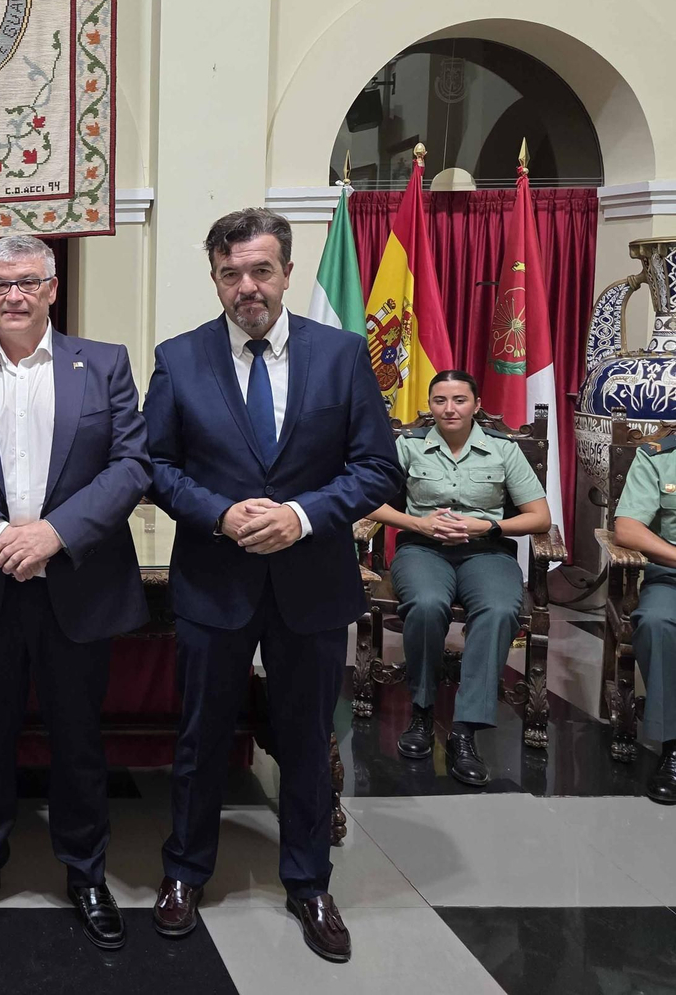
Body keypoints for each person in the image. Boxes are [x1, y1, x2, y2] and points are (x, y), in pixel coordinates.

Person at [144, 209, 398, 963]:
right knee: (201, 737)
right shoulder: (179, 357)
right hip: (213, 581)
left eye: (261, 270)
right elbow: (155, 466)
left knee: (306, 738)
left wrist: (301, 515)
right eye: (231, 274)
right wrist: (220, 514)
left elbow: (378, 469)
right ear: (215, 278)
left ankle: (309, 881)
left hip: (311, 581)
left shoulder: (342, 354)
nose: (246, 287)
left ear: (287, 271)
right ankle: (185, 871)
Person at [0, 235, 150, 951]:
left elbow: (131, 466)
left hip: (77, 582)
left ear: (52, 288)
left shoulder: (103, 364)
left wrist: (53, 533)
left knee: (79, 738)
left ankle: (85, 871)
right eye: (0, 284)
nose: (13, 294)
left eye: (27, 281)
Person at [365, 370, 549, 785]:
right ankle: (422, 711)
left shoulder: (503, 449)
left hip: (486, 551)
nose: (449, 409)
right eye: (440, 400)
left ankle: (466, 729)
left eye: (460, 400)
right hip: (422, 549)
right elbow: (370, 501)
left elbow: (540, 517)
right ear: (430, 406)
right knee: (426, 604)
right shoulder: (408, 446)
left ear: (477, 405)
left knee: (499, 609)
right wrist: (419, 523)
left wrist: (489, 526)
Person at [610, 440, 676, 804]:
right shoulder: (658, 458)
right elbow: (628, 530)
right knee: (654, 622)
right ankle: (673, 747)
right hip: (671, 575)